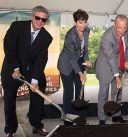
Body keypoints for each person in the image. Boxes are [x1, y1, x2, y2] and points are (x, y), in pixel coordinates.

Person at [1, 6, 53, 136]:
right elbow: (9, 48)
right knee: (9, 99)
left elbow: (41, 59)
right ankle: (10, 130)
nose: (40, 21)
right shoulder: (17, 27)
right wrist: (16, 68)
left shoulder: (46, 37)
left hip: (31, 69)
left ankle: (36, 125)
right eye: (37, 18)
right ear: (32, 16)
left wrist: (35, 80)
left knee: (39, 88)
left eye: (43, 20)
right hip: (11, 67)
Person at [57, 9, 92, 126]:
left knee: (80, 91)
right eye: (80, 22)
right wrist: (81, 73)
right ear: (75, 22)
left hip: (79, 62)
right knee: (69, 92)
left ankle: (79, 118)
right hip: (66, 65)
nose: (83, 25)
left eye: (85, 22)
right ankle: (68, 119)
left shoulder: (87, 31)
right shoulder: (70, 35)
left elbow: (85, 49)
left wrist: (87, 60)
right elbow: (71, 57)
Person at [95, 15, 128, 125]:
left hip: (118, 64)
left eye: (124, 27)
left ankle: (116, 116)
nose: (122, 30)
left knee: (118, 92)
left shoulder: (126, 33)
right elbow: (111, 58)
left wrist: (126, 61)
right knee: (103, 93)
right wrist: (117, 77)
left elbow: (124, 49)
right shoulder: (107, 36)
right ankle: (102, 118)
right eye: (119, 27)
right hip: (105, 66)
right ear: (115, 25)